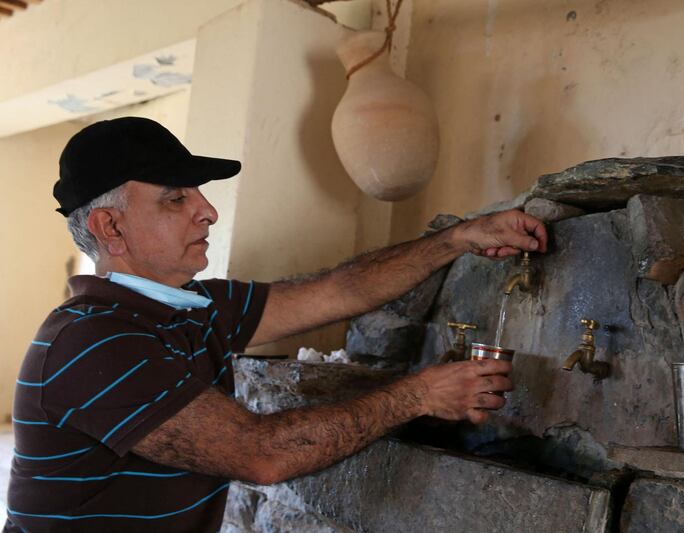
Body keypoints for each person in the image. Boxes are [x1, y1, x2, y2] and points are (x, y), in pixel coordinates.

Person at [4, 117, 547, 532]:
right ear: (110, 227)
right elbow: (260, 455)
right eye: (176, 198)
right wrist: (419, 395)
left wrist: (457, 240)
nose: (208, 211)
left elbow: (341, 290)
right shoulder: (92, 343)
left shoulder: (192, 306)